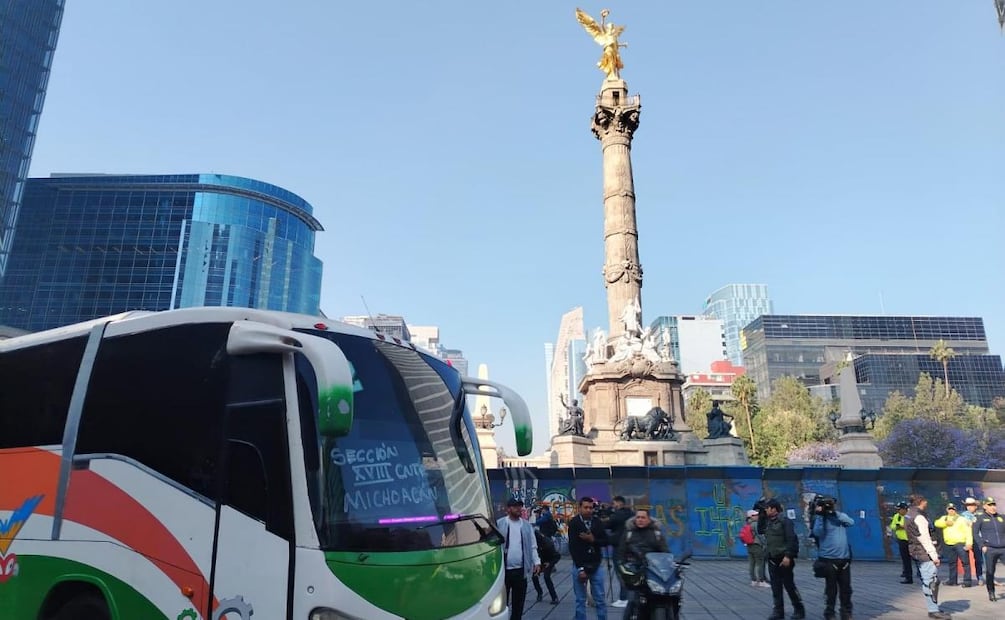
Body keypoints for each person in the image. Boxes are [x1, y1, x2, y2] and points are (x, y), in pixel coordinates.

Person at [905, 494, 951, 619]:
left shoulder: (909, 513)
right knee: (931, 581)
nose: (927, 503)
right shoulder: (919, 516)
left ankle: (933, 607)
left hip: (916, 550)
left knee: (930, 580)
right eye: (925, 501)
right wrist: (934, 555)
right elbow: (924, 538)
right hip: (924, 552)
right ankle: (933, 610)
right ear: (921, 502)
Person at [617, 508, 669, 619]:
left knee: (663, 597)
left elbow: (665, 552)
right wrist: (623, 567)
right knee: (632, 601)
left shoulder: (656, 534)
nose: (640, 520)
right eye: (638, 517)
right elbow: (621, 553)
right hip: (634, 571)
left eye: (643, 517)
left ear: (649, 519)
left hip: (653, 570)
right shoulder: (629, 533)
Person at [760, 498, 805, 620]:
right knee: (776, 587)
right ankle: (778, 611)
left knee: (789, 586)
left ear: (774, 509)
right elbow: (760, 530)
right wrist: (761, 515)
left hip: (784, 559)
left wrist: (788, 556)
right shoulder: (767, 521)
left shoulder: (785, 521)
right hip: (772, 558)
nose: (766, 510)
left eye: (767, 508)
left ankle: (799, 609)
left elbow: (791, 539)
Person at [496, 497, 540, 620]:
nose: (518, 509)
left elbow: (532, 545)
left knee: (518, 603)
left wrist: (536, 562)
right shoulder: (500, 524)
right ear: (508, 509)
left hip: (520, 570)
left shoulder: (526, 526)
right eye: (515, 506)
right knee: (501, 603)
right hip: (503, 571)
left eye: (520, 506)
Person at [812, 499, 855, 620]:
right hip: (829, 560)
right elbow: (817, 532)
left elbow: (851, 522)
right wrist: (820, 516)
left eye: (829, 505)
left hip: (844, 559)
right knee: (831, 589)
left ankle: (846, 612)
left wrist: (835, 513)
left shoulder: (839, 517)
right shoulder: (820, 519)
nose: (828, 508)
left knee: (846, 588)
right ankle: (829, 612)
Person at [568, 496, 609, 620]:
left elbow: (605, 541)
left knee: (600, 599)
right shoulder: (574, 523)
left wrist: (593, 540)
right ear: (579, 508)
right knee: (580, 600)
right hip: (579, 565)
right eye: (585, 507)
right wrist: (580, 568)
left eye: (591, 508)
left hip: (596, 564)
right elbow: (573, 547)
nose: (588, 510)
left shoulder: (597, 522)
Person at [973, 496, 1005, 602]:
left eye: (994, 504)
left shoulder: (1001, 517)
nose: (992, 507)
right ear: (985, 506)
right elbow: (975, 533)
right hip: (990, 549)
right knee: (990, 571)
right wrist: (982, 545)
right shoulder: (980, 518)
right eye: (990, 505)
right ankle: (991, 592)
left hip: (1003, 548)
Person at [934, 503, 973, 588]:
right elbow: (936, 523)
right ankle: (952, 580)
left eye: (953, 509)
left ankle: (967, 581)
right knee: (952, 563)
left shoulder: (962, 519)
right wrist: (945, 523)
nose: (951, 511)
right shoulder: (944, 518)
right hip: (949, 544)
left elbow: (968, 531)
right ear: (947, 510)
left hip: (960, 543)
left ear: (955, 510)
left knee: (965, 563)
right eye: (949, 509)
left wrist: (969, 543)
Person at [606, 496, 635, 607]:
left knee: (620, 572)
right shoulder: (631, 514)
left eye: (614, 504)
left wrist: (608, 513)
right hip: (630, 547)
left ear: (619, 503)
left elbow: (607, 525)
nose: (613, 506)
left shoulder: (617, 515)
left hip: (619, 547)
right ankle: (630, 597)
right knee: (629, 571)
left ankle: (624, 598)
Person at [739, 509, 769, 587]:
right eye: (755, 515)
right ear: (751, 517)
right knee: (760, 563)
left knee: (752, 564)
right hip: (757, 545)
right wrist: (765, 543)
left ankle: (753, 580)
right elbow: (760, 535)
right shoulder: (755, 524)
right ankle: (761, 581)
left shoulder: (746, 524)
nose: (757, 516)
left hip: (749, 545)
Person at [532, 528, 561, 605]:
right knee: (534, 576)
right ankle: (539, 593)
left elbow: (557, 556)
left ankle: (554, 597)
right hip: (540, 561)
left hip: (549, 560)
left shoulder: (547, 544)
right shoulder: (535, 543)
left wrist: (550, 564)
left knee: (546, 577)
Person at [960, 497, 984, 586]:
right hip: (966, 539)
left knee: (979, 559)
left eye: (971, 505)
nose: (969, 507)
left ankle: (980, 577)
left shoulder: (980, 515)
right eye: (968, 505)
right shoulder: (962, 516)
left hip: (977, 539)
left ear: (976, 506)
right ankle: (967, 580)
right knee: (965, 560)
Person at [889, 501, 913, 583]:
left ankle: (921, 573)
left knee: (916, 558)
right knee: (905, 559)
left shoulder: (910, 516)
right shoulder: (897, 516)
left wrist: (904, 526)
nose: (898, 511)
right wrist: (897, 527)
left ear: (905, 509)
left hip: (911, 540)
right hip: (902, 540)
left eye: (899, 509)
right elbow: (892, 526)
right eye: (897, 509)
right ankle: (908, 577)